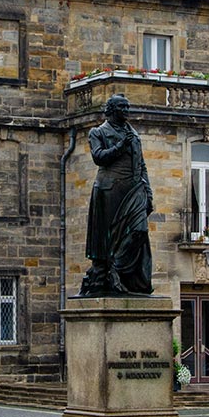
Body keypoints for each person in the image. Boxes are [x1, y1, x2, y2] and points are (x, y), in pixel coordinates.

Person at [80, 93, 154, 296]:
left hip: (134, 188)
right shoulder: (98, 132)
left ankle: (119, 268)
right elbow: (98, 157)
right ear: (112, 110)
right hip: (110, 190)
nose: (127, 111)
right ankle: (107, 272)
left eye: (128, 107)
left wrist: (148, 191)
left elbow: (141, 163)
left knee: (139, 230)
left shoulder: (133, 134)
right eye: (123, 107)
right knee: (109, 237)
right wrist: (120, 146)